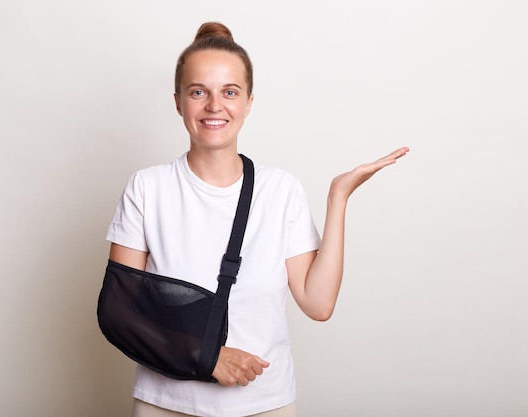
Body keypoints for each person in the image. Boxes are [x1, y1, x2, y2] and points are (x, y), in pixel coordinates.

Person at [106, 21, 409, 417]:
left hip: (263, 403)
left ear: (249, 101)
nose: (215, 106)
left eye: (230, 92)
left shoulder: (281, 190)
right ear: (178, 101)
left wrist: (338, 198)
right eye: (199, 92)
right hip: (167, 403)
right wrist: (208, 357)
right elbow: (120, 312)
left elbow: (318, 304)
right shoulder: (147, 188)